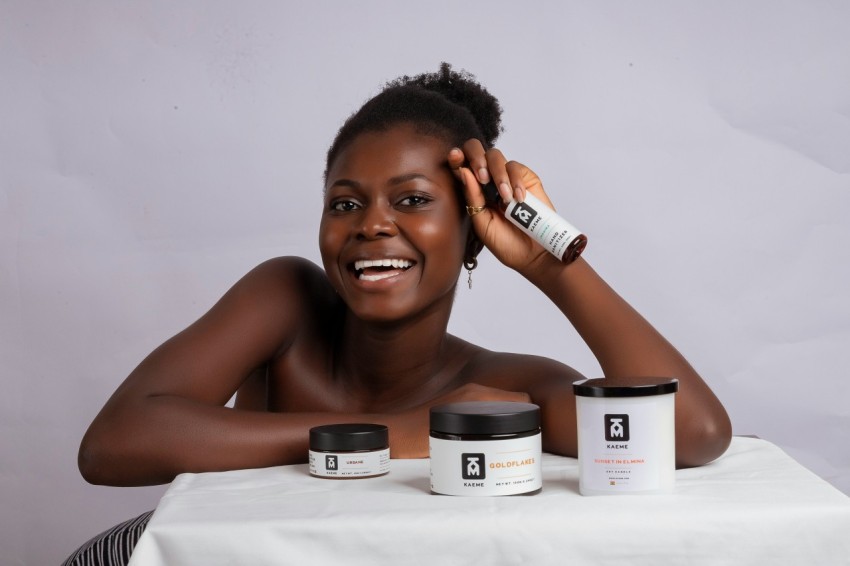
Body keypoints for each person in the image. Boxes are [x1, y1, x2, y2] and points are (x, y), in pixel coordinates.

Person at [65, 63, 731, 564]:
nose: (372, 225)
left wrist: (550, 266)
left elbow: (694, 432)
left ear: (472, 231)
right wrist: (394, 433)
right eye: (345, 204)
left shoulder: (500, 389)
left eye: (412, 201)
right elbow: (112, 444)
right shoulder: (286, 301)